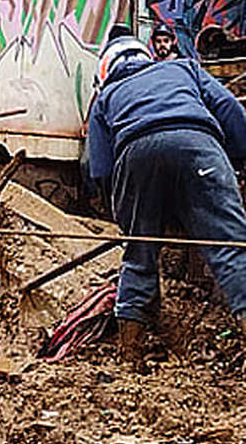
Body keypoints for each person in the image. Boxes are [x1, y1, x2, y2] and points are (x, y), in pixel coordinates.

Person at [86, 32, 246, 369]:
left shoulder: (106, 96)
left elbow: (98, 166)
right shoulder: (184, 69)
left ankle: (130, 353)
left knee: (139, 254)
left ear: (106, 69)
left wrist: (126, 212)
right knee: (231, 248)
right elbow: (231, 110)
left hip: (136, 155)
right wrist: (235, 161)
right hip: (198, 144)